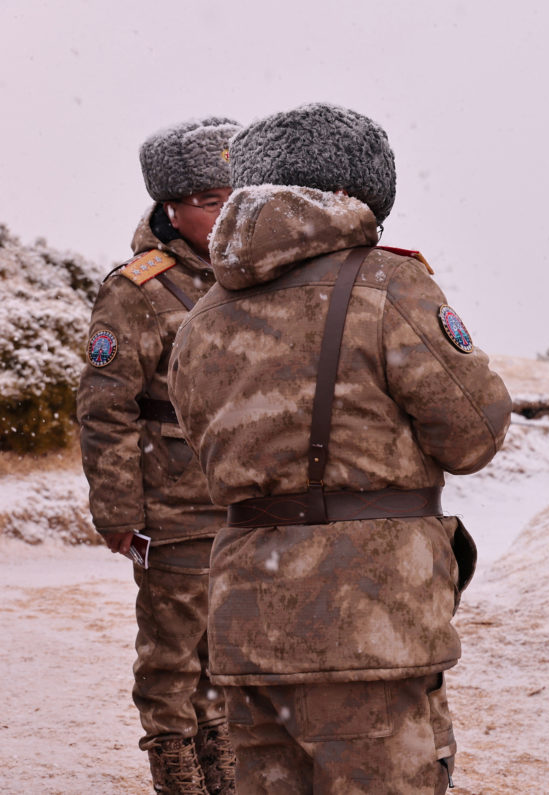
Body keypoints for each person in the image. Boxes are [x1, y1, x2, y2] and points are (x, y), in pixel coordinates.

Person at [167, 102, 511, 794]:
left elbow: (204, 450)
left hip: (246, 621)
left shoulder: (202, 313)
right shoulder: (387, 284)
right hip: (369, 618)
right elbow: (474, 433)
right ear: (355, 191)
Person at [77, 117, 241, 795]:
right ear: (171, 208)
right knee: (174, 650)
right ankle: (174, 763)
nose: (224, 212)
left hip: (249, 502)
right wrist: (118, 509)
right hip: (174, 506)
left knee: (230, 645)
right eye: (208, 200)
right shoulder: (137, 289)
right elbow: (105, 406)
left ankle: (223, 757)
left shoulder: (257, 277)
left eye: (235, 195)